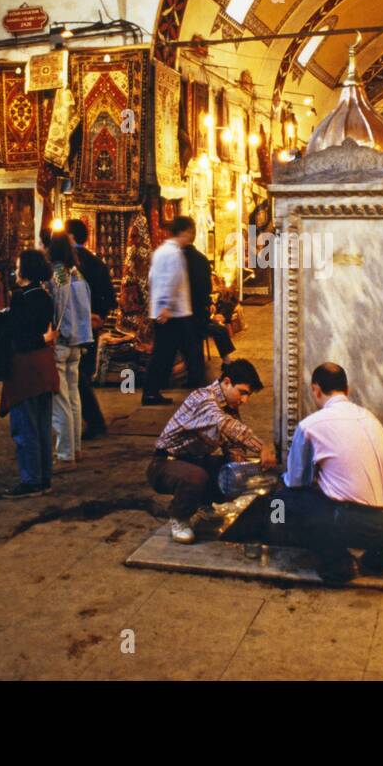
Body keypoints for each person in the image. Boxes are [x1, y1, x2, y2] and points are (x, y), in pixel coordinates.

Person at [262, 363, 383, 584]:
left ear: (316, 389)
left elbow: (296, 482)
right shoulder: (368, 416)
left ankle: (333, 559)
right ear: (347, 390)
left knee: (282, 500)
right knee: (356, 496)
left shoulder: (310, 426)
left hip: (359, 523)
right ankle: (381, 551)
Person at [148, 358, 275, 543]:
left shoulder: (229, 407)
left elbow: (234, 444)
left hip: (193, 460)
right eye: (242, 392)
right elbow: (227, 425)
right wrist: (262, 447)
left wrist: (240, 473)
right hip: (164, 464)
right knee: (196, 476)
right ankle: (179, 518)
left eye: (248, 395)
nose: (245, 400)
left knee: (231, 471)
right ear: (226, 382)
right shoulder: (203, 398)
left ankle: (202, 504)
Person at [0, 249, 61, 499]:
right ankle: (44, 478)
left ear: (26, 270)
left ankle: (31, 481)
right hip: (44, 367)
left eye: (18, 265)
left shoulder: (21, 298)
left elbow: (21, 338)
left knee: (25, 428)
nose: (15, 270)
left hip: (25, 369)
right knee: (42, 425)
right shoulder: (44, 296)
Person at [66, 219, 115, 440]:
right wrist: (99, 317)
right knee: (81, 375)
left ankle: (90, 423)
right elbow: (109, 295)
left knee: (77, 379)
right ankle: (85, 424)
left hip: (71, 330)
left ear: (70, 236)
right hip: (89, 327)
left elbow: (65, 299)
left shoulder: (67, 268)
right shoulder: (95, 262)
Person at [47, 234, 92, 465]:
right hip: (77, 341)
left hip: (62, 342)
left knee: (61, 400)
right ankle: (75, 449)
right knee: (73, 397)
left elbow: (58, 305)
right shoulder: (76, 273)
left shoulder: (59, 273)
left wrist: (54, 330)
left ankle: (65, 454)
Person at [143, 216, 198, 405]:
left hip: (165, 311)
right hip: (172, 313)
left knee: (166, 352)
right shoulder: (173, 253)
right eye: (189, 232)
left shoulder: (160, 252)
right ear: (183, 232)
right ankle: (152, 392)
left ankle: (154, 391)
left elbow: (151, 278)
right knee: (164, 354)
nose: (190, 237)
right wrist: (166, 305)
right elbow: (171, 280)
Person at [184, 241, 235, 373]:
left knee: (220, 327)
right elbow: (203, 289)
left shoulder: (193, 261)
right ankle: (227, 361)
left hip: (197, 312)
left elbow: (203, 290)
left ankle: (226, 361)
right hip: (191, 315)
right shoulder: (197, 261)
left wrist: (209, 304)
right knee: (218, 330)